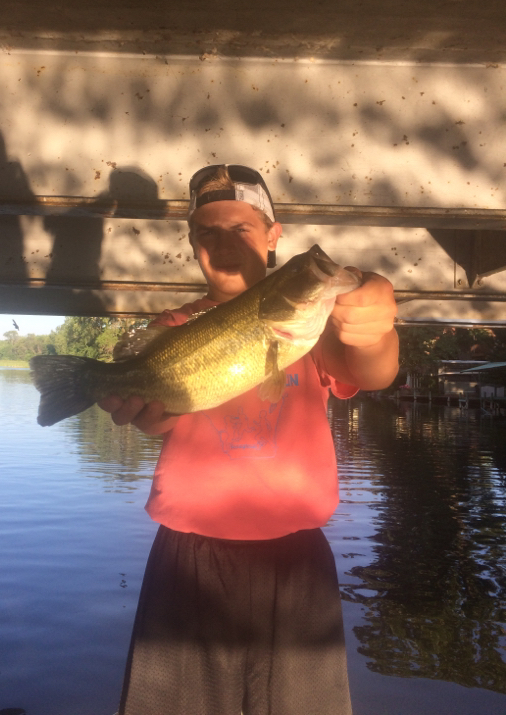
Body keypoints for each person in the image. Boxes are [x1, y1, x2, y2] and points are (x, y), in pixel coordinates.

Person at [100, 164, 399, 715]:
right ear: (192, 243)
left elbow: (373, 371)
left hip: (296, 556)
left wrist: (376, 324)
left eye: (241, 229)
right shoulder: (175, 326)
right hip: (189, 553)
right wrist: (142, 414)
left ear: (273, 235)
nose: (224, 245)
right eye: (207, 233)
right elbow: (159, 419)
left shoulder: (311, 324)